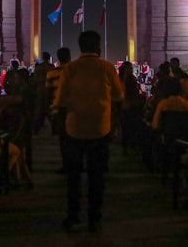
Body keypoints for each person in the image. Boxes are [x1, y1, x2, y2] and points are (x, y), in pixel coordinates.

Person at [53, 30, 124, 234]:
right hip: (101, 129)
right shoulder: (108, 68)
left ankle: (73, 214)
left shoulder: (70, 68)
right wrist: (113, 124)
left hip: (74, 129)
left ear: (81, 47)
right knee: (97, 177)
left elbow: (60, 101)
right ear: (97, 47)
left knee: (73, 177)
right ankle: (94, 218)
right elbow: (118, 98)